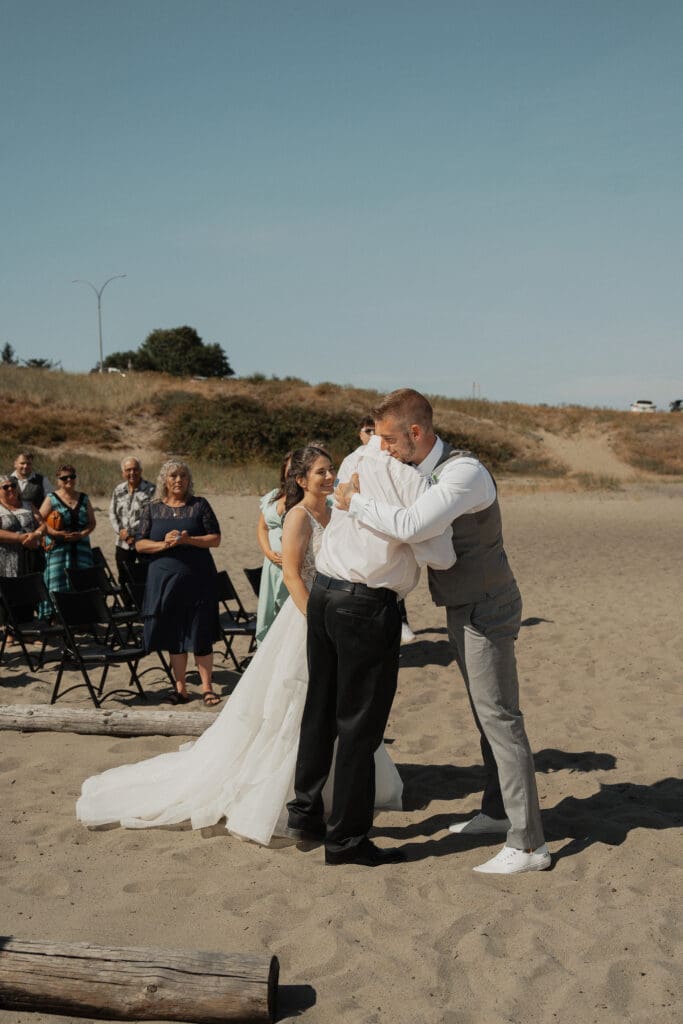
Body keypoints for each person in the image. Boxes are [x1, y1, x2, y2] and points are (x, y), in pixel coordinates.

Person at [75, 446, 407, 844]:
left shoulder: (336, 511)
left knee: (338, 700)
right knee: (298, 701)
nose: (328, 476)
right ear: (302, 479)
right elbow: (292, 575)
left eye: (330, 469)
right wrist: (317, 621)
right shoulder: (298, 516)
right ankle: (292, 793)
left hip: (336, 611)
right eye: (320, 471)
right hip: (308, 616)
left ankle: (343, 786)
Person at [335, 388, 550, 874]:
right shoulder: (418, 468)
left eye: (390, 439)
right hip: (462, 606)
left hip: (487, 607)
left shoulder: (463, 472)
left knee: (501, 718)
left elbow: (413, 524)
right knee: (484, 715)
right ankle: (498, 812)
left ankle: (530, 844)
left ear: (416, 432)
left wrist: (355, 501)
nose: (383, 448)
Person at [286, 441, 456, 867]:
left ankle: (305, 814)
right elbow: (440, 556)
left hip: (325, 592)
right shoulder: (411, 479)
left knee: (320, 709)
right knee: (360, 726)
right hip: (365, 604)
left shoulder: (353, 460)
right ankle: (346, 840)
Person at [135, 459, 221, 706]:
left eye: (183, 475)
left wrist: (187, 540)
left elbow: (215, 539)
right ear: (164, 480)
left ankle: (207, 688)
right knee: (174, 635)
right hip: (164, 580)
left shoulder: (199, 505)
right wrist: (164, 544)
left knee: (200, 631)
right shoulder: (152, 509)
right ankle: (180, 688)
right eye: (173, 476)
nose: (178, 480)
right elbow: (140, 544)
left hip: (198, 578)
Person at [39, 465, 96, 613]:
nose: (69, 480)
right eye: (64, 478)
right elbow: (39, 520)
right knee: (57, 582)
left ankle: (82, 616)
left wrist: (82, 534)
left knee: (83, 581)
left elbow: (92, 522)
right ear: (58, 480)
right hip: (58, 547)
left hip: (81, 547)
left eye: (72, 476)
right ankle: (55, 616)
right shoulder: (51, 498)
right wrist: (55, 533)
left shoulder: (84, 498)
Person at [254, 451, 292, 644]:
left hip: (293, 565)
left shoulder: (308, 498)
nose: (293, 471)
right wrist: (268, 552)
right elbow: (262, 527)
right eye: (290, 467)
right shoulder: (273, 496)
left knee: (289, 617)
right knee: (269, 615)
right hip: (271, 565)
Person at [108, 456, 155, 587]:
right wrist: (121, 532)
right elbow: (112, 513)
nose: (132, 473)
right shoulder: (118, 490)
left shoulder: (152, 490)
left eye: (135, 469)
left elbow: (152, 516)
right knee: (124, 579)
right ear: (123, 473)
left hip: (143, 542)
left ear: (141, 470)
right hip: (122, 543)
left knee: (145, 577)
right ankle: (127, 601)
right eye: (128, 470)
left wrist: (133, 534)